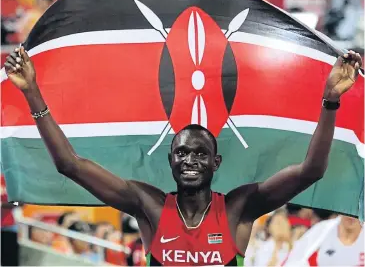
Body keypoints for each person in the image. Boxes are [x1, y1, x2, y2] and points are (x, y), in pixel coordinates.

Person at [4, 46, 362, 266]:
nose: (190, 159)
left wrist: (330, 100)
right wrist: (32, 93)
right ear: (171, 161)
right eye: (182, 153)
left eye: (200, 153)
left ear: (216, 163)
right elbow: (70, 164)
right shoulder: (149, 206)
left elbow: (311, 170)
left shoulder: (239, 208)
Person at [283, 216, 364, 266]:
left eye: (357, 208)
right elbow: (294, 259)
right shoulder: (324, 229)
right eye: (347, 208)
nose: (351, 216)